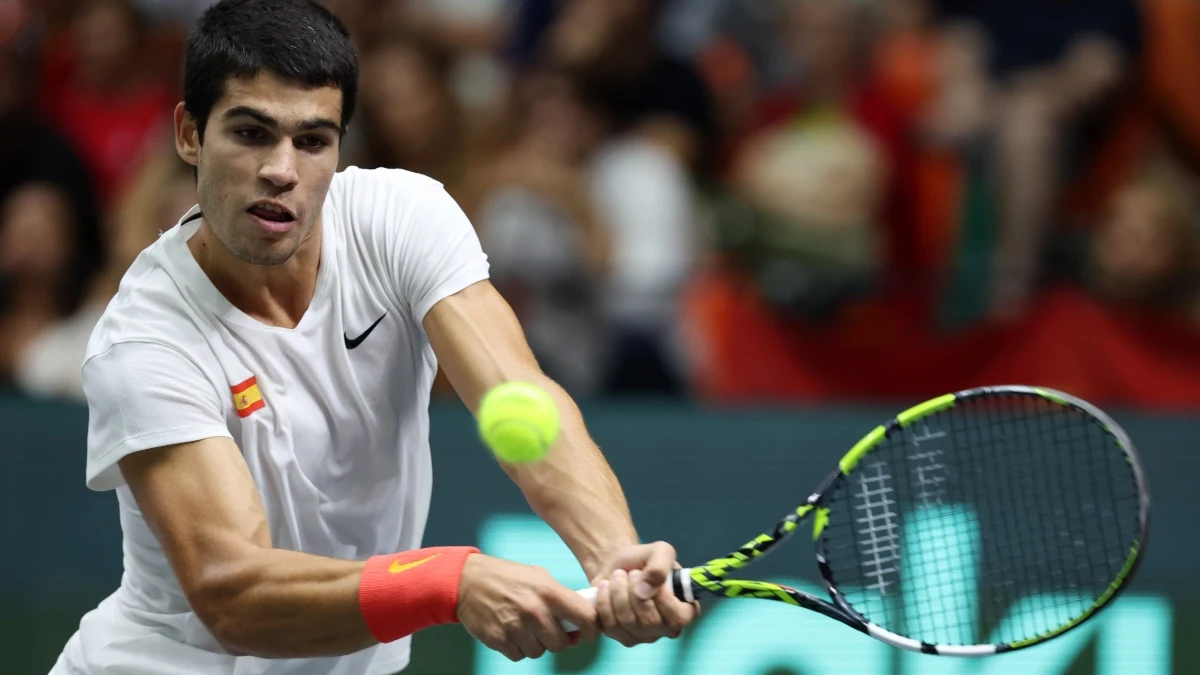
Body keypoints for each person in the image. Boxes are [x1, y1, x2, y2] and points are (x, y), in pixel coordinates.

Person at [49, 1, 697, 673]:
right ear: (189, 134)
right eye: (250, 133)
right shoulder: (145, 340)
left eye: (312, 140)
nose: (281, 169)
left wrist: (613, 552)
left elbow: (519, 389)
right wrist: (446, 580)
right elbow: (232, 589)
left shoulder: (400, 218)